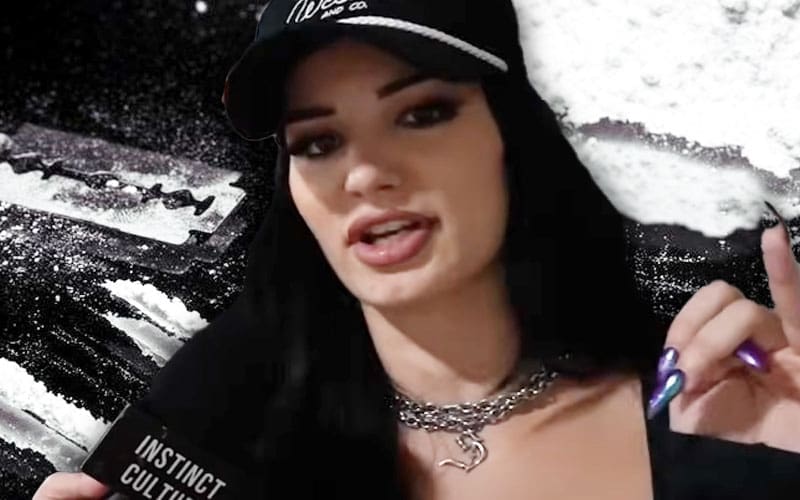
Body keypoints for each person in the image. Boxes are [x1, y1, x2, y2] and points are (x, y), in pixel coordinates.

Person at [33, 0, 800, 498]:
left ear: (513, 139)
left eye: (422, 113)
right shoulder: (233, 425)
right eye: (318, 142)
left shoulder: (706, 418)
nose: (365, 174)